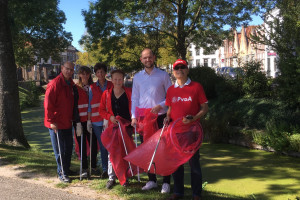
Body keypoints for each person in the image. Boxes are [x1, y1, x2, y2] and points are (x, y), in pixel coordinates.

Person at [165, 59, 208, 200]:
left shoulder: (196, 87)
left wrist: (194, 118)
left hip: (192, 132)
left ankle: (196, 194)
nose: (180, 70)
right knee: (177, 164)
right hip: (175, 132)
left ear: (187, 70)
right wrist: (167, 118)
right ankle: (178, 192)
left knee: (194, 164)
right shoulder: (171, 89)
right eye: (177, 68)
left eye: (183, 67)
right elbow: (170, 109)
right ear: (173, 72)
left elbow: (205, 108)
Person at [131, 48, 172, 193]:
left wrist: (160, 105)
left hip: (160, 117)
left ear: (154, 58)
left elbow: (170, 95)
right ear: (141, 59)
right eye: (145, 58)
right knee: (148, 150)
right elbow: (135, 98)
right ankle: (152, 180)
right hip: (143, 118)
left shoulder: (163, 75)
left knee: (164, 149)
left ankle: (166, 182)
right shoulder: (137, 77)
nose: (148, 60)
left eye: (150, 57)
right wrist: (133, 116)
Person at [99, 69, 132, 189]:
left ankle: (125, 176)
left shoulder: (129, 92)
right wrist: (110, 117)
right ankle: (111, 177)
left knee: (125, 151)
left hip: (126, 127)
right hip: (112, 128)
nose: (118, 81)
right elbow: (101, 110)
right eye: (115, 79)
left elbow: (133, 108)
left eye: (120, 79)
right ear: (111, 80)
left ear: (123, 79)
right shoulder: (106, 94)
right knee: (111, 153)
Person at [44, 61, 75, 183]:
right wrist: (51, 121)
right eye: (67, 69)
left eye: (71, 70)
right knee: (60, 150)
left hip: (67, 122)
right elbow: (48, 105)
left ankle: (66, 169)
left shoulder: (70, 84)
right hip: (56, 124)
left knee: (68, 148)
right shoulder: (55, 84)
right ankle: (61, 172)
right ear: (62, 68)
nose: (69, 71)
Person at [87, 63, 113, 178]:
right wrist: (88, 120)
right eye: (97, 72)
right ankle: (105, 169)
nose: (100, 74)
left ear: (105, 72)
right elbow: (89, 105)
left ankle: (114, 169)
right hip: (97, 121)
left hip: (110, 120)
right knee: (103, 145)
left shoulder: (111, 85)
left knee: (111, 145)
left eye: (102, 72)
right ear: (95, 74)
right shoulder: (92, 88)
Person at [73, 66, 98, 178]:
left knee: (93, 144)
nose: (85, 76)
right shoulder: (75, 88)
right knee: (81, 144)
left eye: (87, 74)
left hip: (91, 120)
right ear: (79, 75)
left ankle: (93, 166)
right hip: (79, 121)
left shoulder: (93, 87)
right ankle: (84, 168)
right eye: (82, 73)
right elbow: (74, 106)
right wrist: (77, 122)